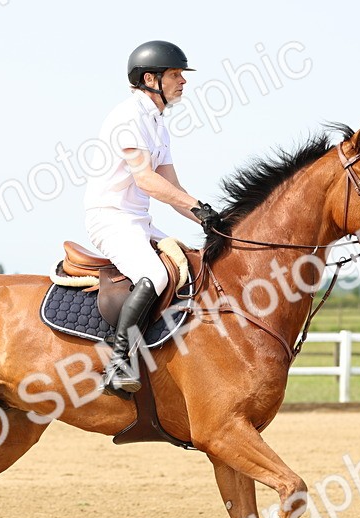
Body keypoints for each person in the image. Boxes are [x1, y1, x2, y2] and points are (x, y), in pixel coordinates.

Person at [83, 40, 222, 394]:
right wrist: (199, 211)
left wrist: (209, 218)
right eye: (176, 74)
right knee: (155, 274)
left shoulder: (158, 123)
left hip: (137, 220)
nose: (183, 81)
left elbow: (171, 186)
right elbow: (146, 179)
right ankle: (118, 364)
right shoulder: (128, 116)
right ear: (150, 78)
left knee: (190, 265)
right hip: (110, 217)